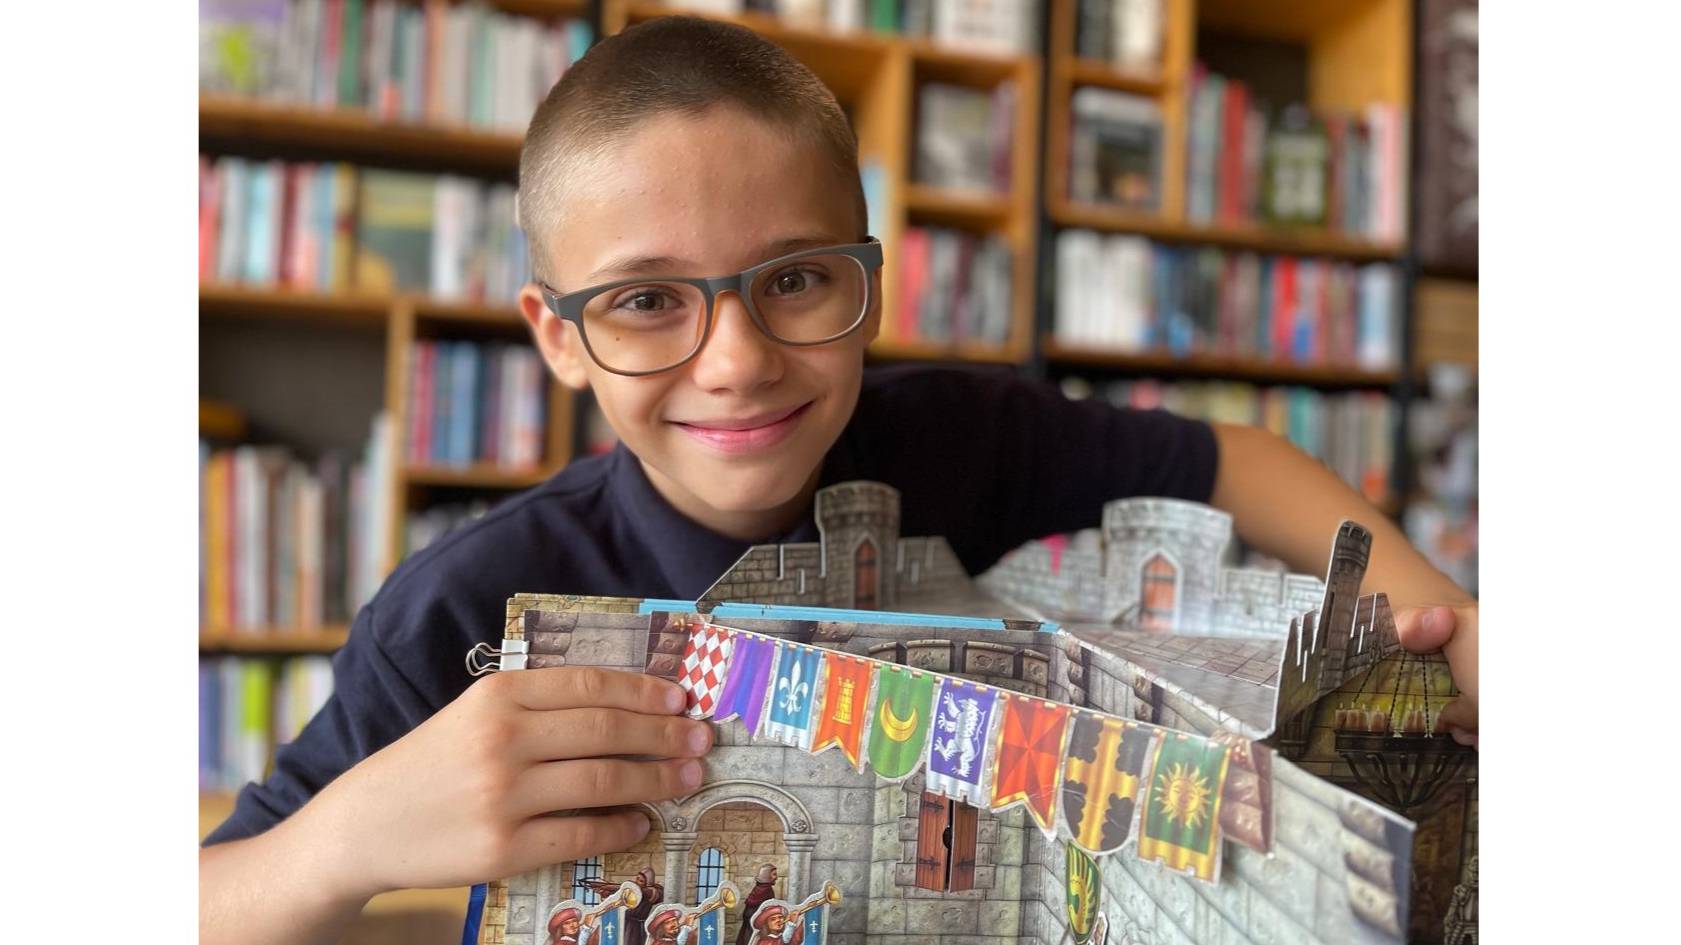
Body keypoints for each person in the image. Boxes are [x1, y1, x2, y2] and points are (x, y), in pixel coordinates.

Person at [197, 15, 1478, 945]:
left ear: (868, 274)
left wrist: (1451, 618)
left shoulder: (959, 438)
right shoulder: (457, 608)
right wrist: (342, 843)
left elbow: (1232, 460)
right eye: (645, 301)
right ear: (558, 336)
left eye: (798, 279)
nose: (737, 361)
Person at [736, 865, 779, 945]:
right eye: (774, 874)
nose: (776, 877)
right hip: (756, 921)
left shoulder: (759, 888)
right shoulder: (766, 889)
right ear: (766, 875)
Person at [624, 867, 664, 945]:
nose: (637, 882)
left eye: (641, 881)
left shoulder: (651, 891)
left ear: (647, 883)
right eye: (637, 879)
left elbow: (639, 891)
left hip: (638, 927)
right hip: (629, 924)